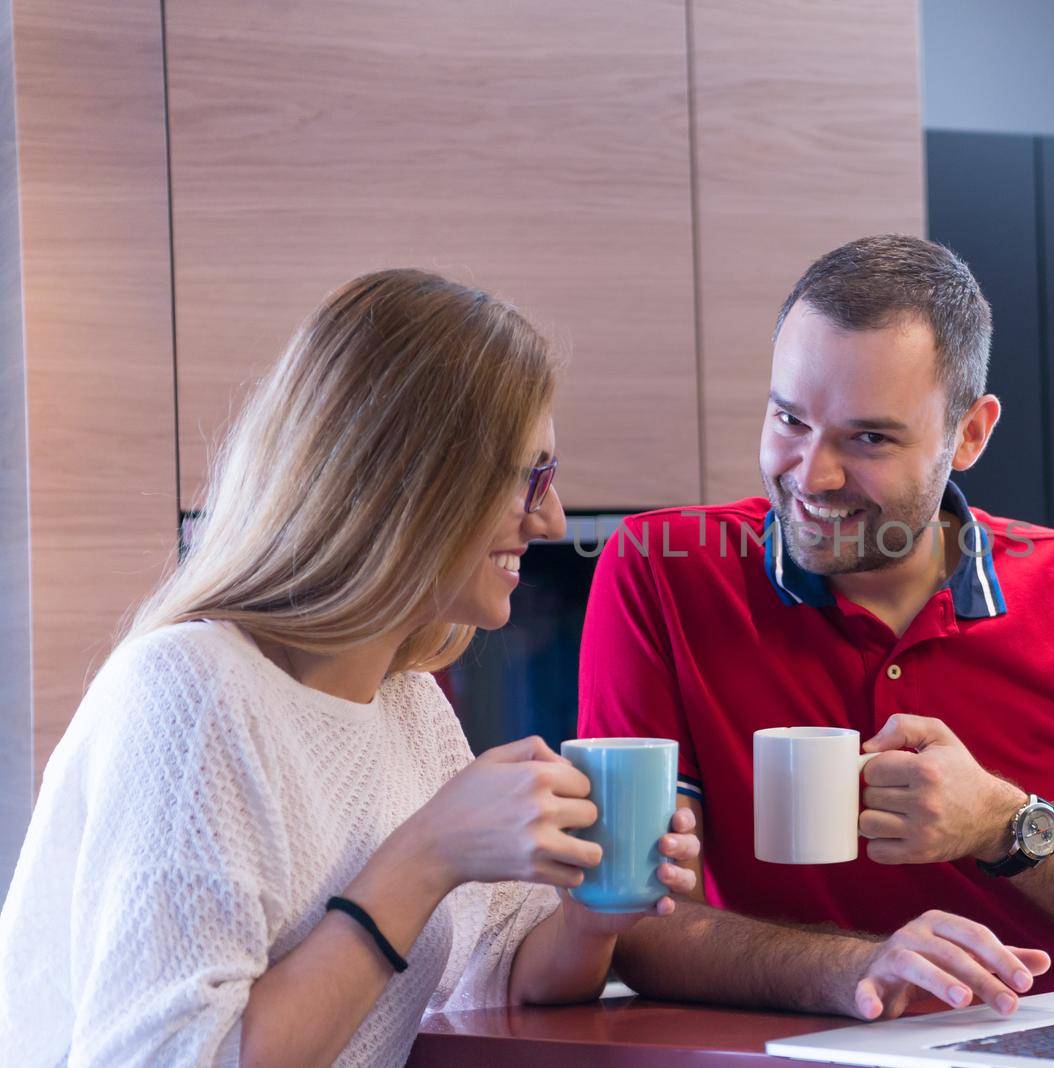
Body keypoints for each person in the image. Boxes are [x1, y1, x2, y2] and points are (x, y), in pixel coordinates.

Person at [0, 269, 699, 1067]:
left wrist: (591, 916)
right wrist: (427, 854)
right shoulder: (191, 692)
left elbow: (498, 972)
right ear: (410, 482)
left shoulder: (405, 706)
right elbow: (172, 1058)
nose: (552, 518)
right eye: (528, 477)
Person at [579, 234, 1054, 1021]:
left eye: (868, 438)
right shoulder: (659, 572)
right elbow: (632, 923)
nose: (812, 476)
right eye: (790, 419)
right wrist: (853, 971)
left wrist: (1004, 824)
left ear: (969, 434)